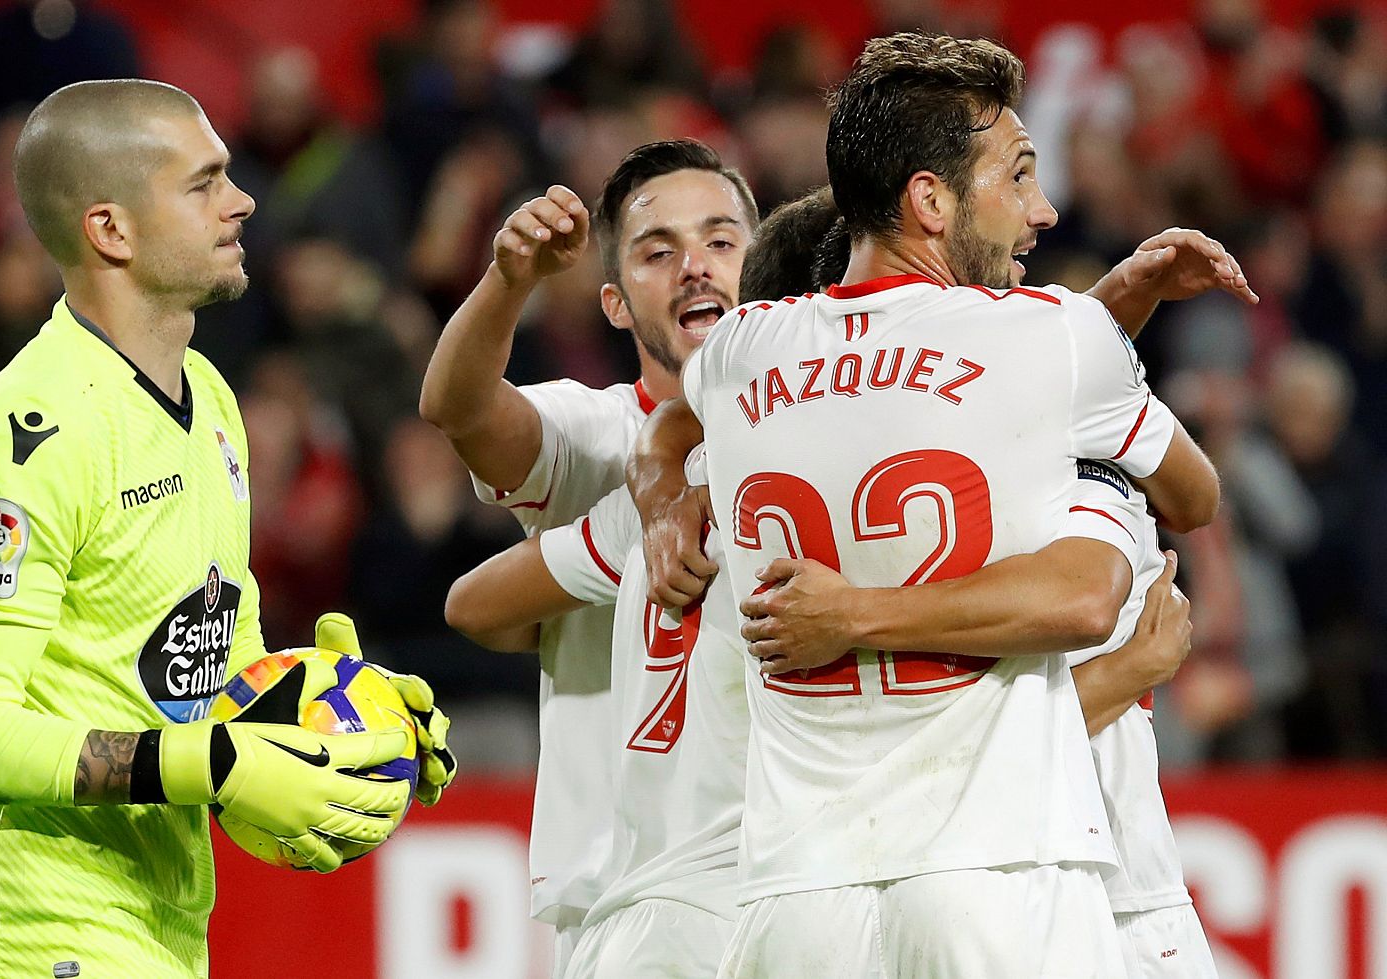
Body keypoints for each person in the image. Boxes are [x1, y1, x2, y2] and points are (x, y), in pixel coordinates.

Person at [444, 184, 1210, 978]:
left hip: (636, 904)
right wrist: (1128, 671)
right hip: (778, 889)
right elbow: (935, 744)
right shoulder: (892, 514)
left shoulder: (689, 490)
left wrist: (655, 499)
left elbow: (474, 603)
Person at [640, 34, 1224, 975]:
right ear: (930, 200)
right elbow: (1191, 498)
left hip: (795, 898)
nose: (1043, 208)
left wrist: (665, 493)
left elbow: (669, 422)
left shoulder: (742, 351)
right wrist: (859, 616)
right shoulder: (1056, 335)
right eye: (1018, 175)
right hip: (996, 873)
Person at [0, 80, 453, 978]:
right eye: (202, 184)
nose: (241, 201)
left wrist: (342, 709)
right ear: (109, 230)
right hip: (38, 938)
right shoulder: (22, 442)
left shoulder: (212, 403)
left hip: (163, 933)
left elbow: (207, 671)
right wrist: (210, 761)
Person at [419, 138, 759, 974]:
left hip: (792, 879)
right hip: (624, 893)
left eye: (720, 241)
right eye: (657, 251)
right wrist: (510, 279)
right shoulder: (592, 434)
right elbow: (456, 406)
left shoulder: (811, 437)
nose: (695, 267)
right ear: (613, 303)